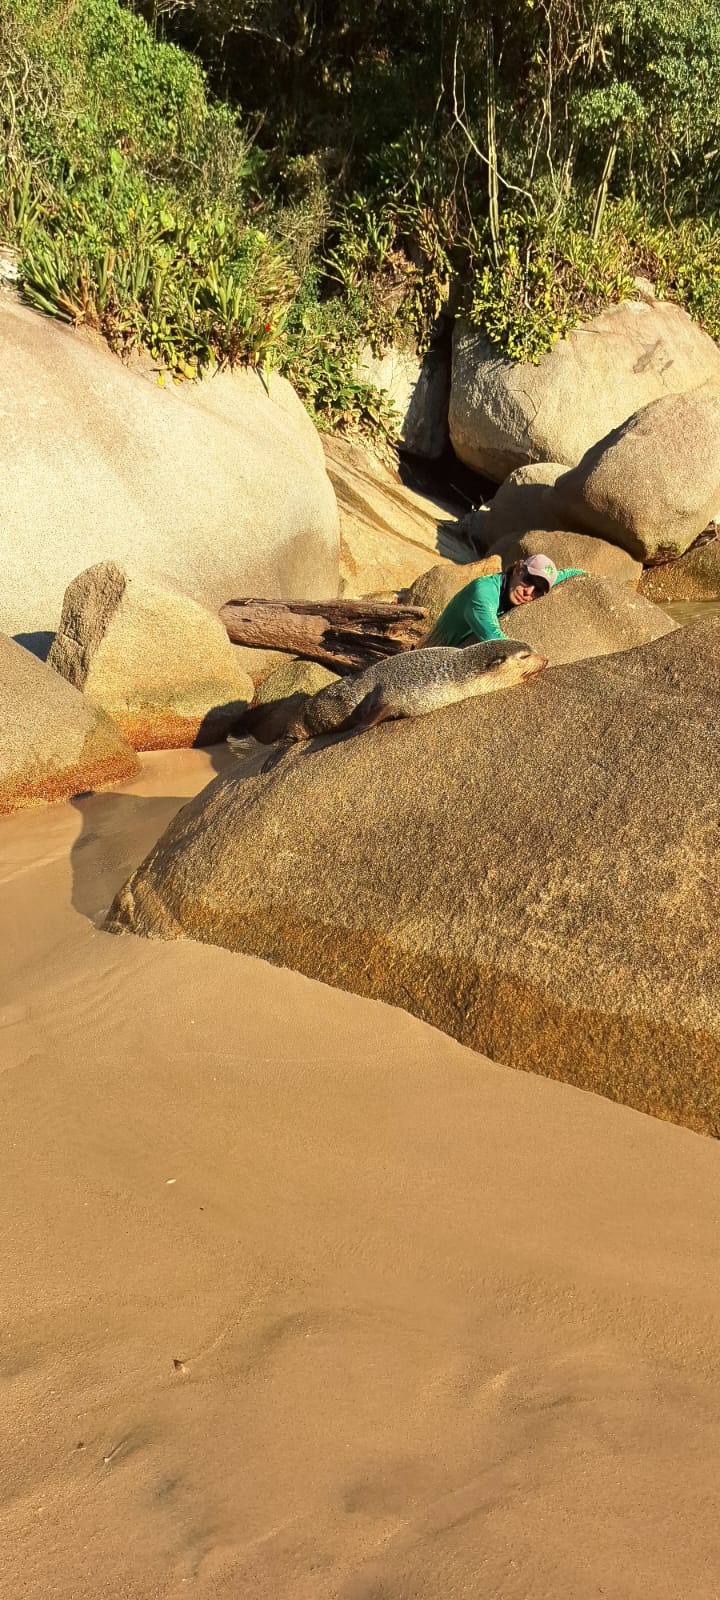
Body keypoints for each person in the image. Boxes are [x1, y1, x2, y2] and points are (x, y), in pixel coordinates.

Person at [420, 554, 585, 647]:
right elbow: (496, 640)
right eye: (528, 580)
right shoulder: (483, 593)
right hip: (427, 660)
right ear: (518, 570)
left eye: (538, 591)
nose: (528, 592)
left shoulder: (523, 588)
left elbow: (570, 573)